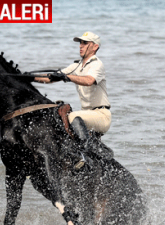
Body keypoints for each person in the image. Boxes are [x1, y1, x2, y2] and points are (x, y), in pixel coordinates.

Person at [34, 31, 111, 169]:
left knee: (73, 115)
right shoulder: (76, 66)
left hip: (101, 116)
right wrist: (27, 77)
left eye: (85, 43)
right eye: (80, 43)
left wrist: (67, 77)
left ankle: (85, 155)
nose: (81, 46)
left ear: (95, 46)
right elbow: (51, 78)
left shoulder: (97, 65)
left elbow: (89, 80)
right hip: (87, 115)